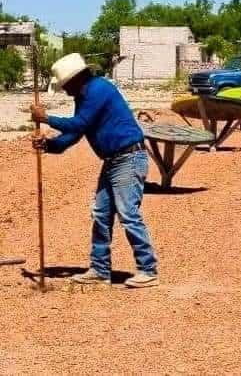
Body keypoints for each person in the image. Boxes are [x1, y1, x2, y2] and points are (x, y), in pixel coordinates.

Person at [31, 53, 158, 289]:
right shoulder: (85, 96)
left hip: (128, 157)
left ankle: (147, 269)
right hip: (114, 160)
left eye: (65, 85)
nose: (65, 91)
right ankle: (100, 270)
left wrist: (47, 118)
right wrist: (49, 145)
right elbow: (75, 134)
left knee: (128, 214)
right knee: (101, 213)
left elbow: (79, 124)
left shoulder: (98, 89)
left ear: (75, 79)